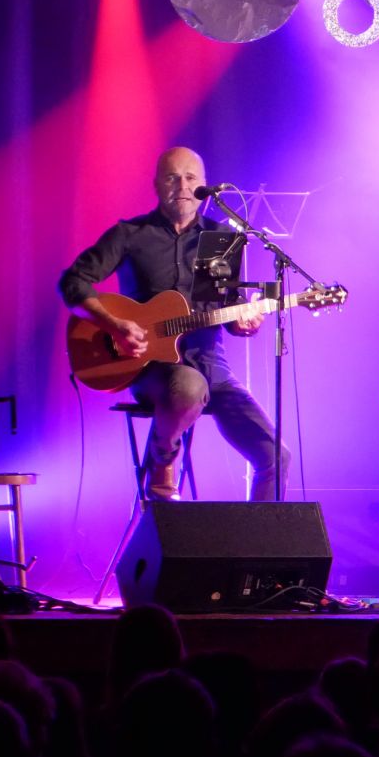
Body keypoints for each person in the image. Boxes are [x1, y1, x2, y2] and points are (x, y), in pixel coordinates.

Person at [59, 146, 289, 501]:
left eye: (190, 178)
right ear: (156, 184)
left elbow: (227, 305)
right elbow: (73, 282)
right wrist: (115, 324)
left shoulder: (220, 240)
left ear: (204, 185)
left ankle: (261, 536)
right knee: (188, 386)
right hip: (150, 369)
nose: (182, 186)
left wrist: (245, 321)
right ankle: (162, 458)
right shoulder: (130, 234)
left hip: (213, 369)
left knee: (275, 456)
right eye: (172, 177)